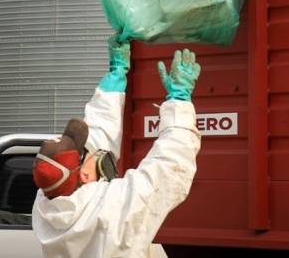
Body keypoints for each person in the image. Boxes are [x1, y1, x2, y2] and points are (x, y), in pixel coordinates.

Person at [31, 36, 202, 258]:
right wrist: (179, 101)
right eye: (86, 152)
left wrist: (115, 78)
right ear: (83, 174)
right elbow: (169, 166)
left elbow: (97, 135)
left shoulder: (46, 208)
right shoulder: (116, 207)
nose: (93, 149)